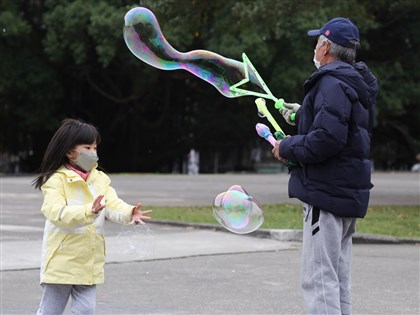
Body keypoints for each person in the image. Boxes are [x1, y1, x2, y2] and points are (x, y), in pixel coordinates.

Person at [272, 18, 378, 314]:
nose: (315, 46)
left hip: (326, 193)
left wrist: (286, 147)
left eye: (317, 41)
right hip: (345, 193)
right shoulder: (352, 83)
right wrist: (302, 112)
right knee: (336, 278)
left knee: (318, 279)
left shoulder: (330, 82)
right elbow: (340, 127)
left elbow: (327, 139)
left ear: (326, 47)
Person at [32, 118, 152, 315]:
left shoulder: (100, 179)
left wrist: (129, 212)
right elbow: (55, 212)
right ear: (70, 152)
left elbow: (112, 204)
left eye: (95, 147)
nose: (93, 152)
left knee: (86, 311)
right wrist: (89, 211)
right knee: (50, 311)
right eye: (87, 147)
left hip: (89, 261)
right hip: (61, 261)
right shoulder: (56, 180)